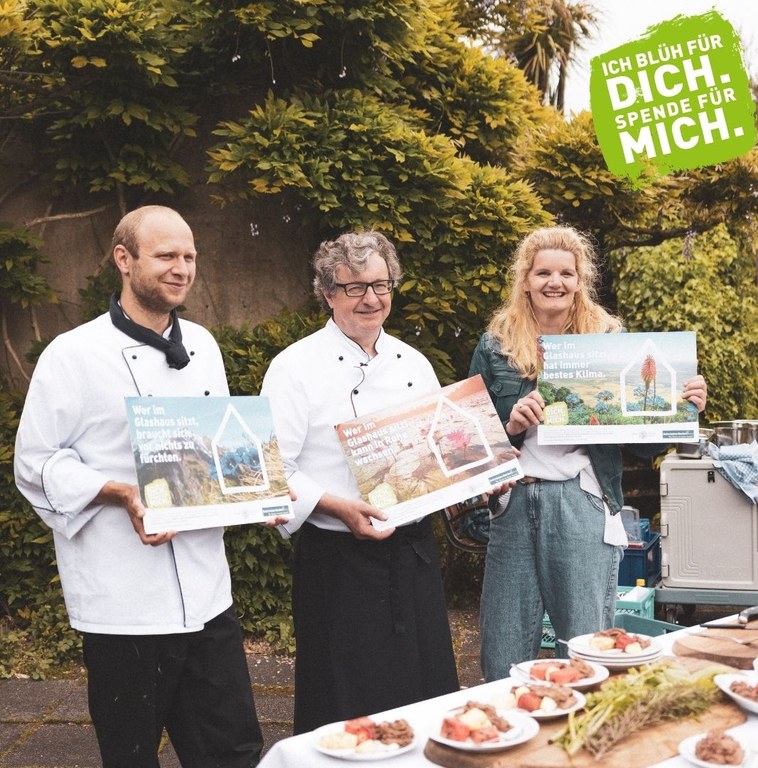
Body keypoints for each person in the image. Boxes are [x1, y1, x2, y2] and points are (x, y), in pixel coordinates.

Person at [14, 205, 270, 768]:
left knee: (234, 752)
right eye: (167, 256)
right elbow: (34, 464)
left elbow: (219, 447)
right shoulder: (72, 354)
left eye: (190, 256)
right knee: (130, 757)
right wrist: (119, 491)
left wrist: (256, 492)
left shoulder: (204, 344)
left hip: (207, 596)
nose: (182, 268)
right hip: (123, 603)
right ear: (124, 260)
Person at [468, 225, 708, 680]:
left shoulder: (610, 342)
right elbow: (473, 446)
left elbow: (646, 438)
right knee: (502, 653)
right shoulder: (495, 345)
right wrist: (512, 427)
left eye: (565, 273)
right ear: (525, 280)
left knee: (586, 649)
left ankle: (583, 746)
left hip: (581, 499)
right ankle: (505, 744)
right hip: (514, 502)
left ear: (580, 281)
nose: (553, 282)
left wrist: (684, 404)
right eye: (542, 273)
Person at [260, 231, 460, 734]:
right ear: (327, 293)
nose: (371, 298)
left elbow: (440, 451)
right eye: (355, 288)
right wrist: (340, 508)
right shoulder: (293, 368)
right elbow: (272, 469)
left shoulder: (415, 364)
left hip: (412, 559)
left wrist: (473, 479)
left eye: (381, 284)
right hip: (337, 564)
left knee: (423, 695)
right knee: (344, 703)